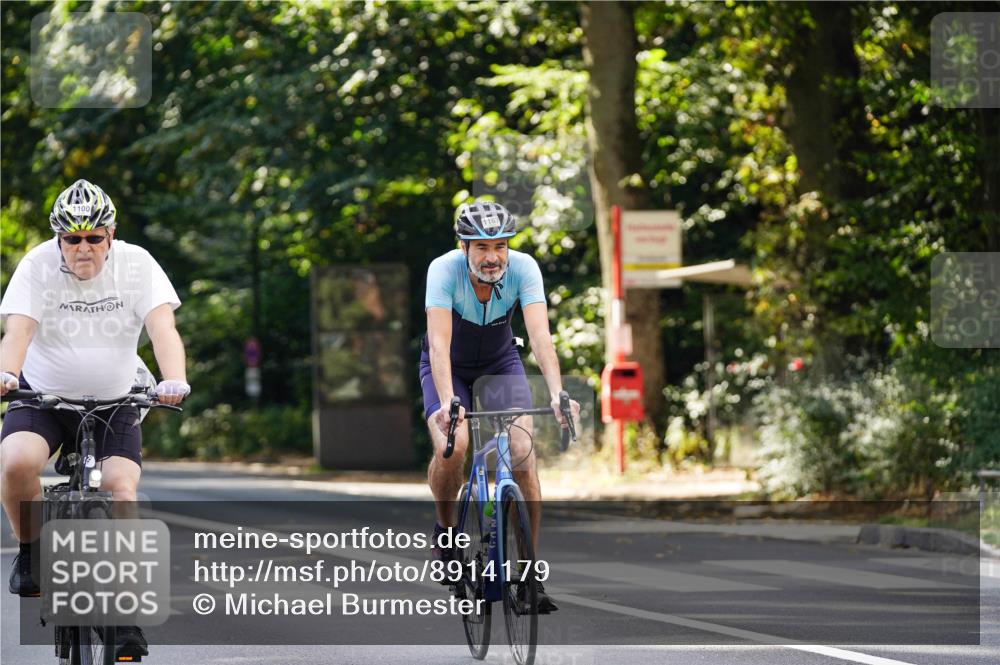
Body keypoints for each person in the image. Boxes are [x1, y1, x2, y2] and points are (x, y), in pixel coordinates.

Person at [0, 179, 189, 659]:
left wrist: (174, 378)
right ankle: (32, 552)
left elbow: (162, 327)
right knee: (16, 463)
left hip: (116, 399)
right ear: (58, 240)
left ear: (111, 235)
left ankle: (123, 612)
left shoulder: (138, 264)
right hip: (41, 397)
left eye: (94, 237)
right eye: (72, 239)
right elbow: (18, 329)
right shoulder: (37, 266)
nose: (83, 248)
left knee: (120, 488)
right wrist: (6, 373)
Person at [421, 200, 578, 614]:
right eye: (481, 247)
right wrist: (448, 400)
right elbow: (439, 344)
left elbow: (541, 339)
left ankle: (528, 574)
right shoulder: (443, 270)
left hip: (499, 361)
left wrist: (557, 393)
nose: (492, 257)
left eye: (500, 246)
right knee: (450, 445)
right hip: (448, 366)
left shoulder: (524, 269)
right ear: (464, 247)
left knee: (524, 453)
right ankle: (447, 534)